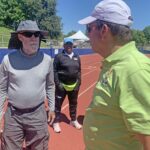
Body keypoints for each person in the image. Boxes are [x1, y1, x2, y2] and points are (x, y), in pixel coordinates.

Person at [78, 0, 150, 149]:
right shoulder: (114, 64)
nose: (88, 35)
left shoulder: (133, 70)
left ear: (104, 30)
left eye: (88, 29)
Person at [0, 20, 55, 150]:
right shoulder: (8, 60)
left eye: (36, 34)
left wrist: (52, 107)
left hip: (38, 114)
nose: (34, 38)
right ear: (20, 36)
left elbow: (50, 86)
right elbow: (1, 89)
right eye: (29, 34)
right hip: (13, 115)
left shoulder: (47, 60)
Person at [53, 38, 82, 133]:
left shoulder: (77, 56)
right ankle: (56, 122)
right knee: (58, 105)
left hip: (74, 86)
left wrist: (78, 83)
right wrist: (58, 84)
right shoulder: (59, 57)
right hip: (62, 86)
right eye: (67, 44)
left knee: (73, 104)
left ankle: (73, 120)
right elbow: (54, 71)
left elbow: (79, 71)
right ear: (64, 45)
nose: (69, 46)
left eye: (70, 44)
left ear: (72, 46)